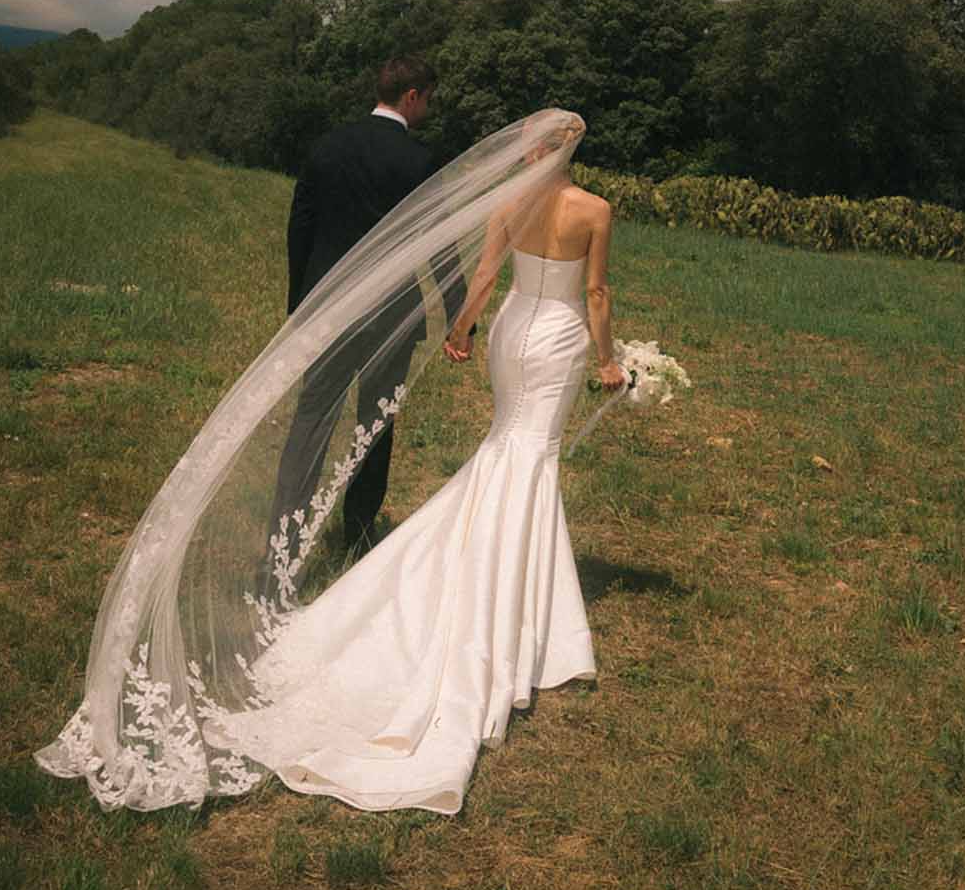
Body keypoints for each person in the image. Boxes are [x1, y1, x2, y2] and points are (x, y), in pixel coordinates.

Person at [36, 109, 622, 816]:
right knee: (531, 454)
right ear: (575, 148)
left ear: (530, 147)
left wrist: (463, 329)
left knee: (507, 445)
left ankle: (501, 573)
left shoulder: (505, 203)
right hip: (557, 337)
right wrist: (612, 361)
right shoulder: (595, 209)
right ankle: (527, 598)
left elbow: (487, 274)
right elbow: (595, 292)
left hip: (510, 333)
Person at [271, 55, 457, 558]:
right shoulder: (418, 161)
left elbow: (301, 229)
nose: (427, 110)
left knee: (310, 425)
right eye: (428, 100)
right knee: (373, 429)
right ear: (412, 96)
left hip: (327, 313)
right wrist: (459, 311)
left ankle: (283, 543)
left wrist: (300, 306)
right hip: (392, 318)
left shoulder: (329, 145)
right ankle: (356, 535)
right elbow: (440, 244)